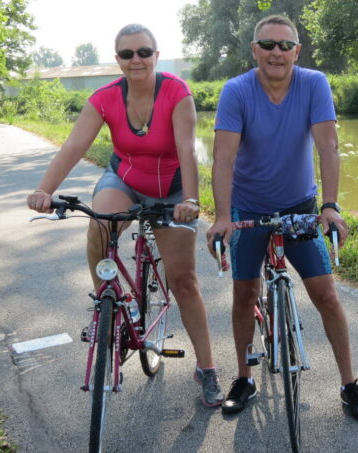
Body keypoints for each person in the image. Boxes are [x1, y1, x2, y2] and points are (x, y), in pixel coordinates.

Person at [26, 24, 223, 408]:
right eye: (127, 54)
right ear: (117, 59)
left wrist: (193, 200)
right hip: (126, 180)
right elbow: (72, 146)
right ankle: (106, 303)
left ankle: (208, 368)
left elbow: (187, 150)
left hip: (173, 191)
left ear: (156, 55)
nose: (136, 60)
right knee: (101, 223)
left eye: (144, 52)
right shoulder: (104, 98)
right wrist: (44, 189)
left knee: (184, 282)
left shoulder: (177, 93)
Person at [205, 14, 358, 421]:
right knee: (244, 294)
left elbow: (327, 147)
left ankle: (349, 384)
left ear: (297, 51)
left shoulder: (313, 83)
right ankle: (244, 377)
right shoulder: (236, 90)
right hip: (248, 208)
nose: (276, 52)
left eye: (285, 45)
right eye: (267, 45)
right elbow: (223, 157)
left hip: (300, 205)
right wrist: (223, 215)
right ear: (254, 50)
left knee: (327, 295)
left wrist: (329, 206)